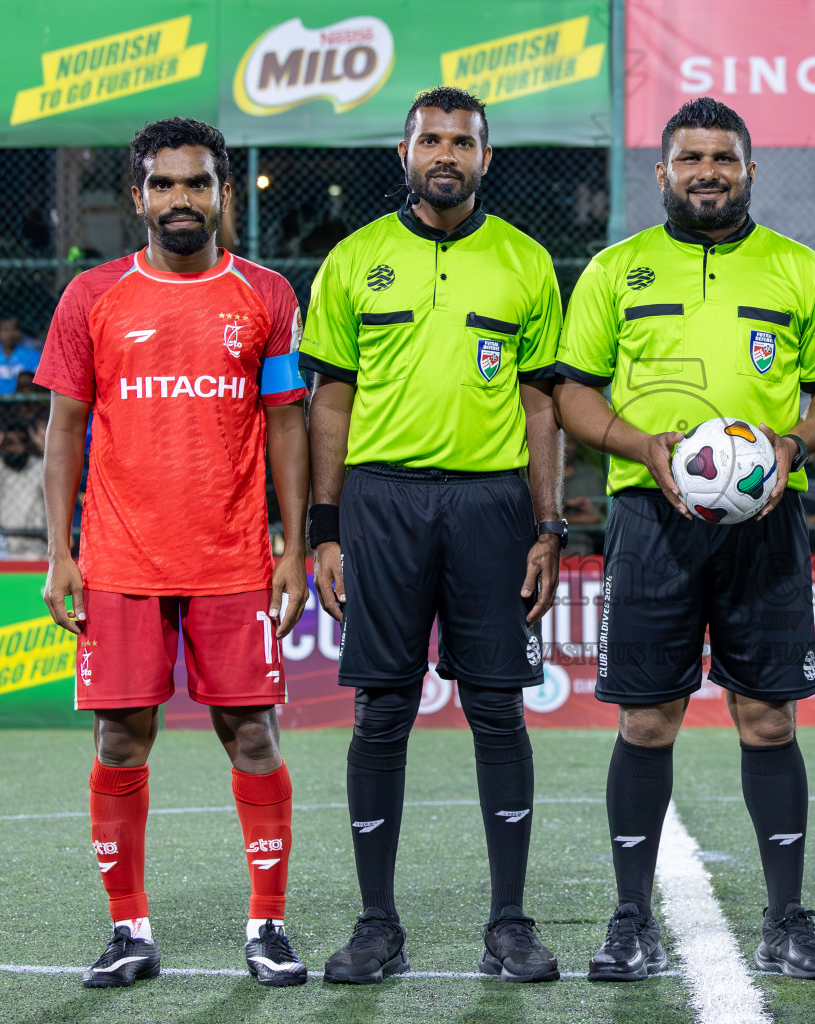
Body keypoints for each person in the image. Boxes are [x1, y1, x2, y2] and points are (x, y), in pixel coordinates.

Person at [555, 97, 815, 982]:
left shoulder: (798, 271)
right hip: (650, 522)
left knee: (768, 718)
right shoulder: (617, 271)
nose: (708, 172)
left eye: (724, 158)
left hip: (766, 521)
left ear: (749, 171)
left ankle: (786, 919)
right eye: (690, 159)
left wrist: (793, 445)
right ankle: (627, 920)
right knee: (647, 720)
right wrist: (639, 447)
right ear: (663, 173)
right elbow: (575, 393)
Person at [35, 117, 311, 989]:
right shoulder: (92, 297)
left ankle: (267, 924)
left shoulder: (266, 296)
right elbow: (64, 430)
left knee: (253, 737)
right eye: (164, 184)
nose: (180, 199)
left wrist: (294, 548)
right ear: (138, 196)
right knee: (123, 738)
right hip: (118, 561)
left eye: (197, 183)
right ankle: (129, 930)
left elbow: (286, 428)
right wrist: (59, 551)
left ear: (224, 192)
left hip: (233, 560)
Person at [301, 87, 565, 985]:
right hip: (380, 504)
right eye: (431, 140)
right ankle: (377, 925)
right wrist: (324, 526)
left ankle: (510, 925)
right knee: (382, 710)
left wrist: (548, 525)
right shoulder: (353, 260)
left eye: (463, 141)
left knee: (497, 708)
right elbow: (328, 403)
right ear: (403, 152)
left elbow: (539, 407)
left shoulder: (527, 264)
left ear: (486, 159)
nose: (445, 153)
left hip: (491, 507)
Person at [0, 411, 48, 560]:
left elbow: (58, 486)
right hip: (0, 544)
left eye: (18, 444)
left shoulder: (39, 466)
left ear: (26, 445)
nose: (14, 449)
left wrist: (45, 449)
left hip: (36, 544)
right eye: (9, 444)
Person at [562, 431, 607, 554]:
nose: (564, 447)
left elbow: (595, 516)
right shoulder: (540, 479)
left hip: (583, 551)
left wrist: (559, 515)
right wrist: (573, 504)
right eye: (560, 442)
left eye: (569, 442)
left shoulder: (592, 476)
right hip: (549, 550)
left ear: (577, 445)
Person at [0, 313, 42, 394]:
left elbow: (42, 383)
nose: (11, 334)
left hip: (25, 402)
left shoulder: (32, 355)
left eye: (15, 329)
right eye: (5, 330)